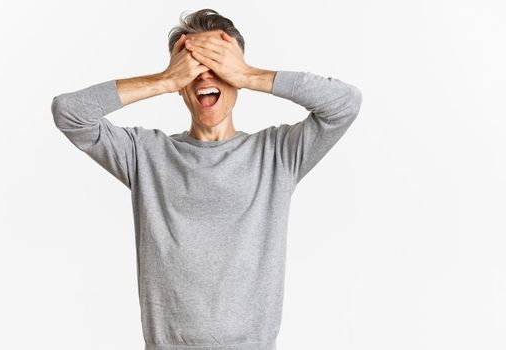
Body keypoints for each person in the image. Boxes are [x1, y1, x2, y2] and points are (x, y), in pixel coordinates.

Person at [51, 8, 362, 350]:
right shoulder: (145, 155)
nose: (204, 77)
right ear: (180, 85)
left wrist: (248, 73)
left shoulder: (277, 154)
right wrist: (163, 80)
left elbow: (345, 104)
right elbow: (70, 113)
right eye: (192, 68)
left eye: (216, 64)